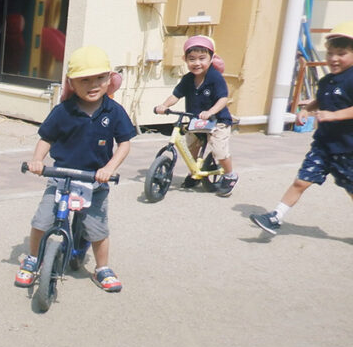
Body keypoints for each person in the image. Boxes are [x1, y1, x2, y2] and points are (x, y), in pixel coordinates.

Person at [15, 46, 137, 292]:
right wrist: (38, 160)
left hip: (95, 180)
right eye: (84, 80)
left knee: (97, 228)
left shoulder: (113, 111)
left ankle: (102, 267)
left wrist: (109, 167)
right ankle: (33, 258)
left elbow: (124, 144)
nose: (93, 85)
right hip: (61, 178)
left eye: (100, 78)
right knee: (42, 220)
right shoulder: (64, 111)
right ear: (71, 82)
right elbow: (45, 139)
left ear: (109, 79)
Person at [250, 22, 353, 235]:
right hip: (323, 146)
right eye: (331, 53)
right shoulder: (327, 80)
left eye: (341, 54)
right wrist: (308, 109)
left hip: (347, 149)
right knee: (301, 181)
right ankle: (276, 216)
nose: (334, 59)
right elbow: (323, 99)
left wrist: (334, 115)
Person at [154, 35, 239, 196]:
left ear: (211, 58)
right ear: (185, 59)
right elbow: (176, 95)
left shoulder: (214, 77)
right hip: (197, 121)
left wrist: (211, 112)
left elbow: (223, 99)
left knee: (219, 150)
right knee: (190, 148)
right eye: (192, 59)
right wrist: (164, 105)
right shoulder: (188, 79)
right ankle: (194, 172)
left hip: (218, 120)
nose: (197, 63)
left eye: (202, 58)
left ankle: (230, 175)